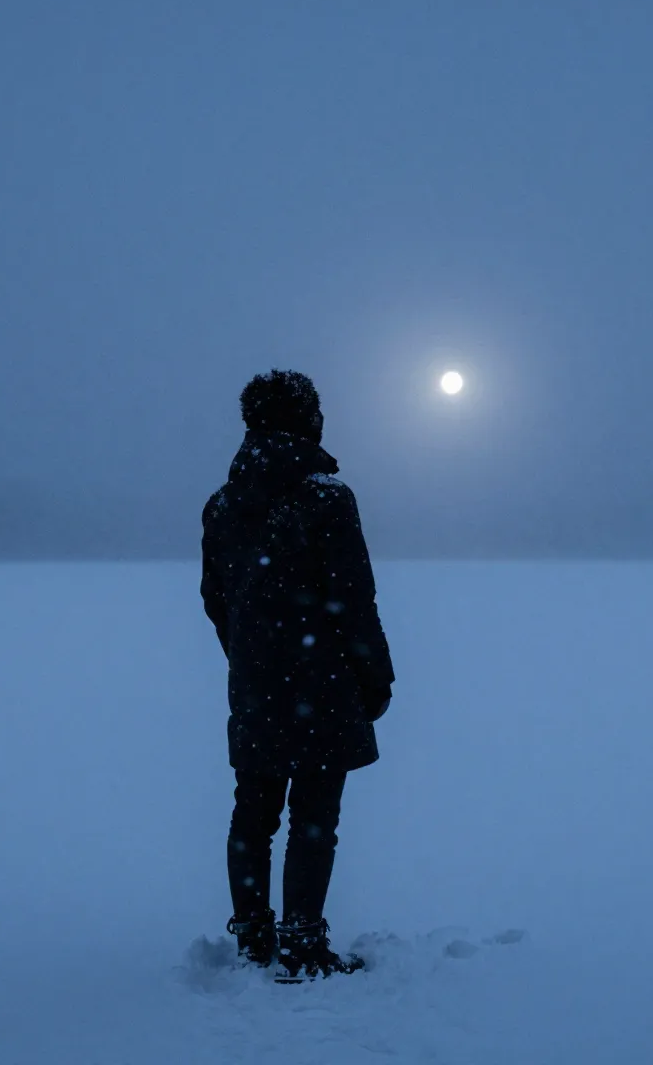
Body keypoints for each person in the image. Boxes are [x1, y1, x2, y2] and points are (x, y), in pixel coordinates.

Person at [201, 370, 394, 979]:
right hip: (323, 683)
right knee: (313, 816)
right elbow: (353, 599)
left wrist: (248, 655)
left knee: (253, 812)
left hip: (258, 683)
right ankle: (303, 945)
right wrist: (376, 677)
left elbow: (216, 599)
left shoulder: (222, 506)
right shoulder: (327, 498)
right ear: (308, 420)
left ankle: (254, 939)